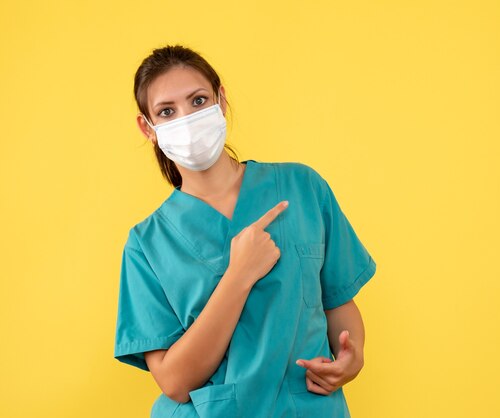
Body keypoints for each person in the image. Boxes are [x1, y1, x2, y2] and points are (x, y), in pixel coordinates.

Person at [113, 44, 377, 418]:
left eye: (198, 100)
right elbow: (174, 382)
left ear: (221, 101)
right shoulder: (147, 244)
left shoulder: (302, 187)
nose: (187, 118)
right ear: (148, 128)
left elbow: (338, 302)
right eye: (167, 111)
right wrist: (239, 274)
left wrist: (353, 357)